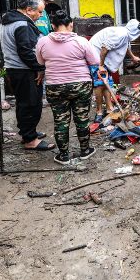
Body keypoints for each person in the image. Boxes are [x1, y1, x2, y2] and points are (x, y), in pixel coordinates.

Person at [36, 10, 100, 164]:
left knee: (60, 121)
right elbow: (95, 61)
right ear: (71, 24)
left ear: (52, 25)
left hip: (55, 86)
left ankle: (63, 155)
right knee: (82, 119)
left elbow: (40, 62)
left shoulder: (43, 42)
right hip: (80, 85)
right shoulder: (81, 41)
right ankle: (85, 151)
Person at [0, 0, 54, 151]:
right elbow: (26, 51)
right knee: (31, 104)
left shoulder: (11, 19)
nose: (41, 15)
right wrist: (39, 68)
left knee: (24, 103)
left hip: (17, 69)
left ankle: (28, 133)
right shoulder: (22, 24)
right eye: (39, 11)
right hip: (24, 70)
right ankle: (30, 140)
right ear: (29, 10)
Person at [89, 19, 140, 122]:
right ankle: (99, 112)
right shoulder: (120, 34)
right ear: (134, 31)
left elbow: (125, 46)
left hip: (103, 60)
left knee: (107, 83)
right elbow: (104, 49)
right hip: (96, 56)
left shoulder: (125, 34)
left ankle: (109, 109)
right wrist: (100, 65)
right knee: (99, 84)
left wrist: (133, 57)